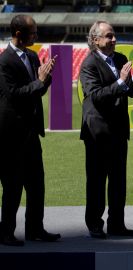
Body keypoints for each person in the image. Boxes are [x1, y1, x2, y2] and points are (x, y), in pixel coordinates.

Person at [79, 20, 133, 239]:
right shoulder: (89, 64)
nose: (114, 39)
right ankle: (95, 224)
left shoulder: (120, 59)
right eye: (108, 36)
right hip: (98, 131)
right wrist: (121, 81)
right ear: (95, 40)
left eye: (114, 35)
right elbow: (96, 96)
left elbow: (129, 92)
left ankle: (117, 224)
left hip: (118, 130)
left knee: (119, 181)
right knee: (97, 181)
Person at [0, 14, 61, 246]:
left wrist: (46, 78)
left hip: (31, 133)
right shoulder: (4, 61)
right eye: (33, 32)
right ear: (18, 34)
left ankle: (35, 229)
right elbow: (14, 95)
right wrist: (39, 81)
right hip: (11, 135)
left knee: (37, 184)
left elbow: (37, 92)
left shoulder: (33, 56)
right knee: (13, 186)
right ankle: (5, 232)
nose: (36, 36)